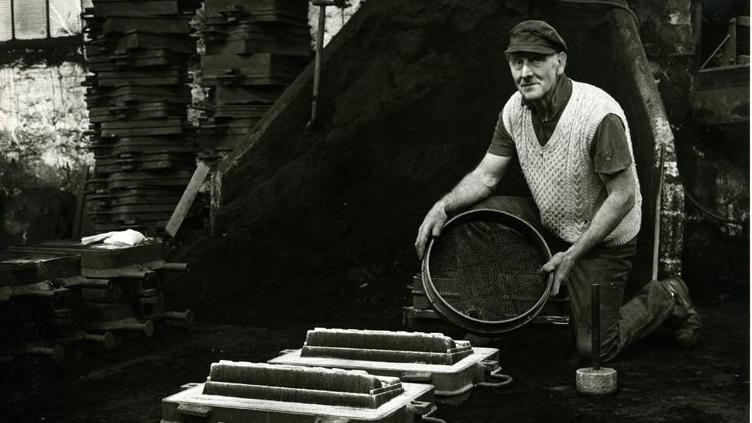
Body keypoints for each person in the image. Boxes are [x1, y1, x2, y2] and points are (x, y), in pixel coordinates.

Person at [414, 20, 701, 362]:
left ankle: (668, 295)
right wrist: (442, 206)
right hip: (552, 219)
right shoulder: (513, 111)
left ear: (560, 62)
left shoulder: (597, 115)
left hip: (604, 237)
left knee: (595, 348)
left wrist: (573, 254)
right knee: (475, 216)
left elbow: (622, 198)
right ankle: (494, 312)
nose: (525, 73)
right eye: (517, 63)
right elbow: (487, 177)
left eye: (537, 60)